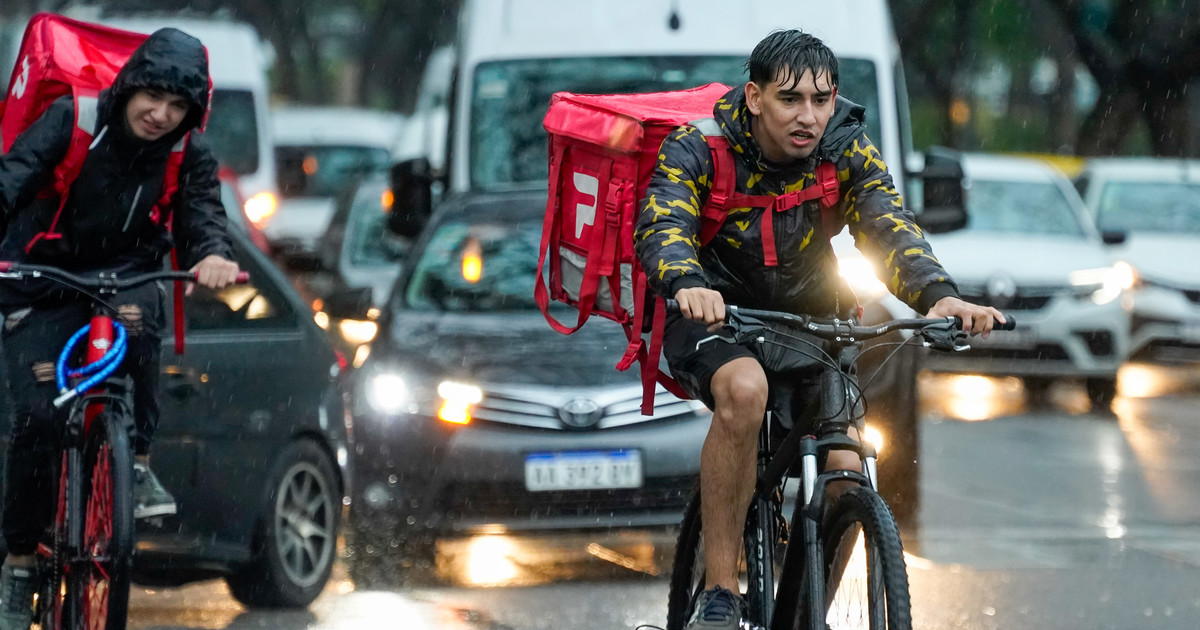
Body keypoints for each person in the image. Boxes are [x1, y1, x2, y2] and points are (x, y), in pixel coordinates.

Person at [634, 30, 1004, 630]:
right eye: (790, 99)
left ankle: (807, 614)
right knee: (745, 391)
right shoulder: (697, 147)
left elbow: (888, 227)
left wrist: (940, 297)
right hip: (715, 313)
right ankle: (720, 594)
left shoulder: (845, 148)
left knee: (845, 469)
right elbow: (663, 224)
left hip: (811, 320)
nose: (808, 115)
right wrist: (685, 281)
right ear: (754, 97)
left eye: (821, 99)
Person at [0, 27, 239, 630]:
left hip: (124, 274)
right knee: (40, 418)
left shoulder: (188, 151)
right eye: (152, 96)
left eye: (178, 105)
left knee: (140, 322)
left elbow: (203, 215)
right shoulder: (73, 118)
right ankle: (20, 560)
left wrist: (212, 253)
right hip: (40, 275)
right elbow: (11, 178)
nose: (161, 115)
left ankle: (133, 459)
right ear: (129, 86)